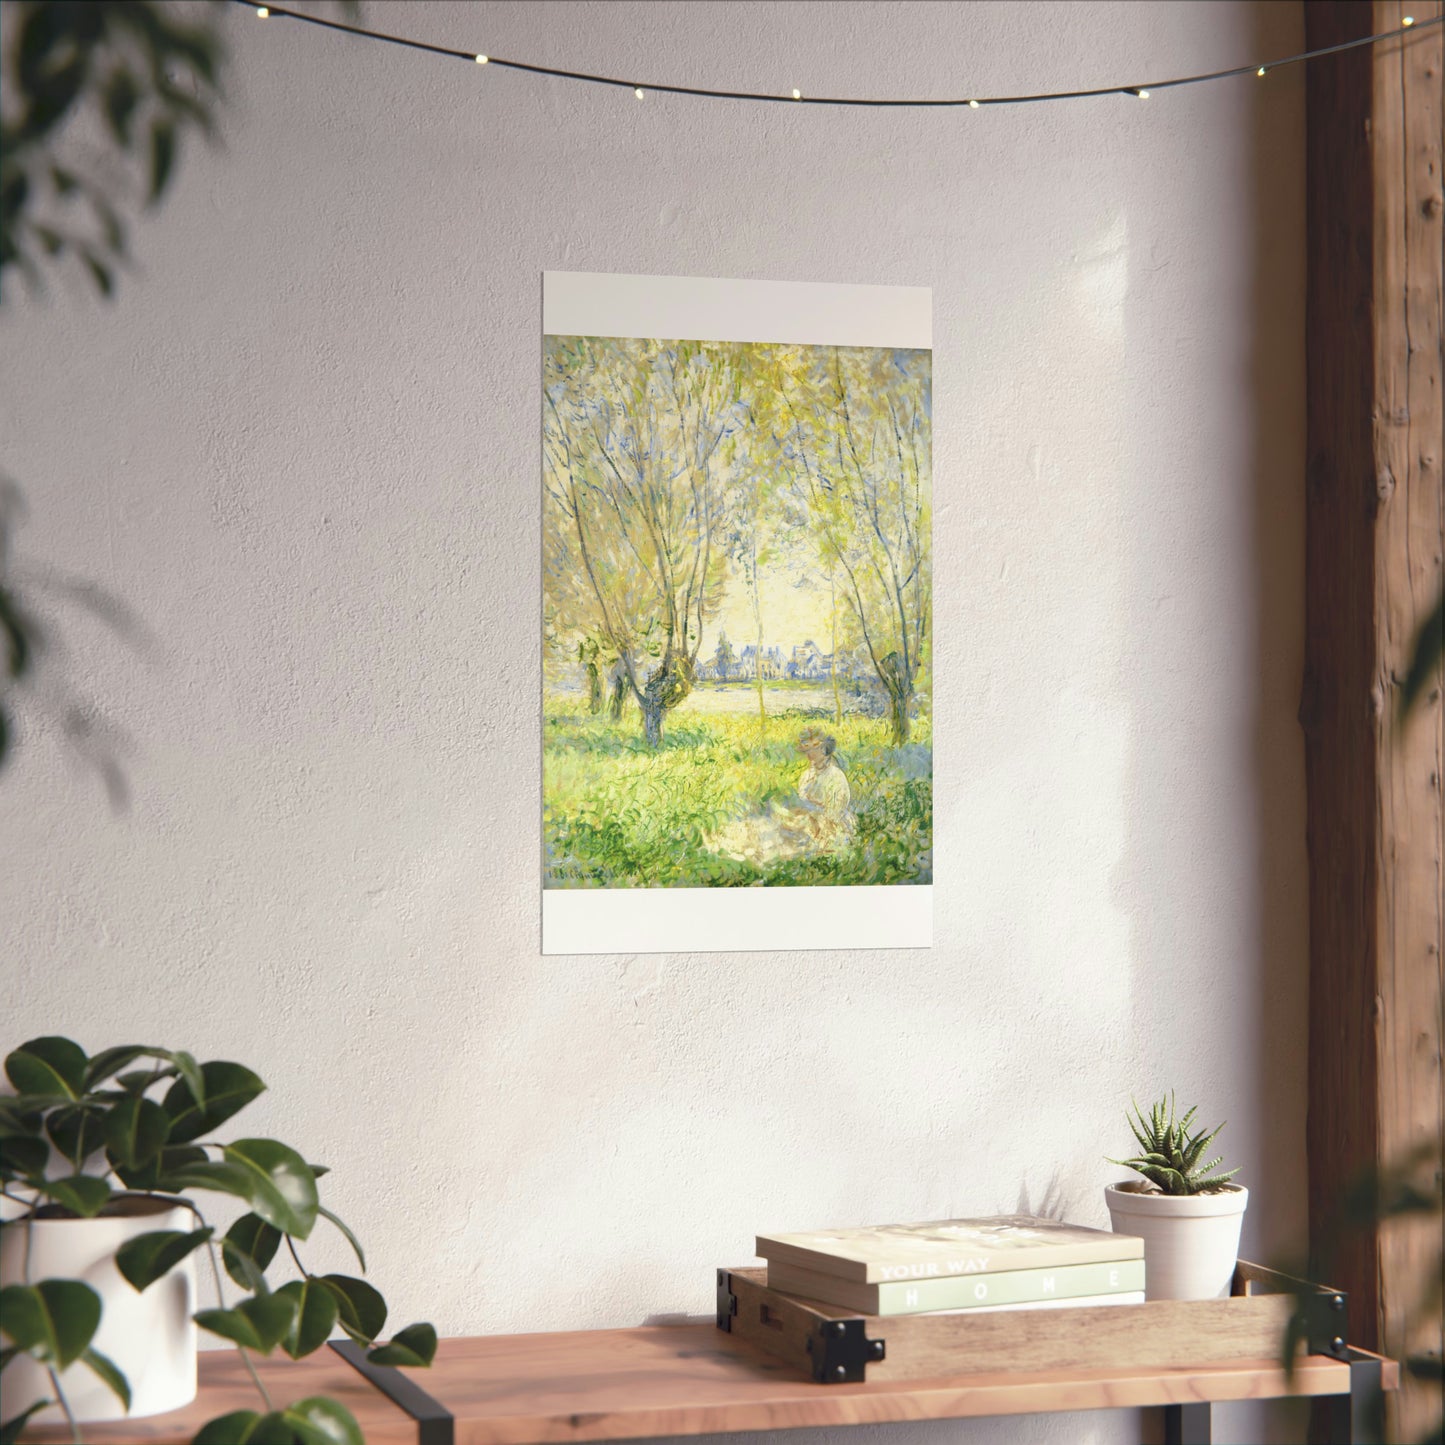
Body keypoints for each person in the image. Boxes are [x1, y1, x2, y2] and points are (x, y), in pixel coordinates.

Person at [708, 727, 854, 867]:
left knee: (776, 840)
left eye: (811, 750)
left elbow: (834, 814)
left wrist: (807, 816)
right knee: (763, 826)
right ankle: (726, 843)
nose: (808, 755)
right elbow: (802, 801)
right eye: (806, 751)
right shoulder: (807, 775)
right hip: (804, 821)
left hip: (826, 829)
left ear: (823, 750)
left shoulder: (835, 777)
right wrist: (793, 813)